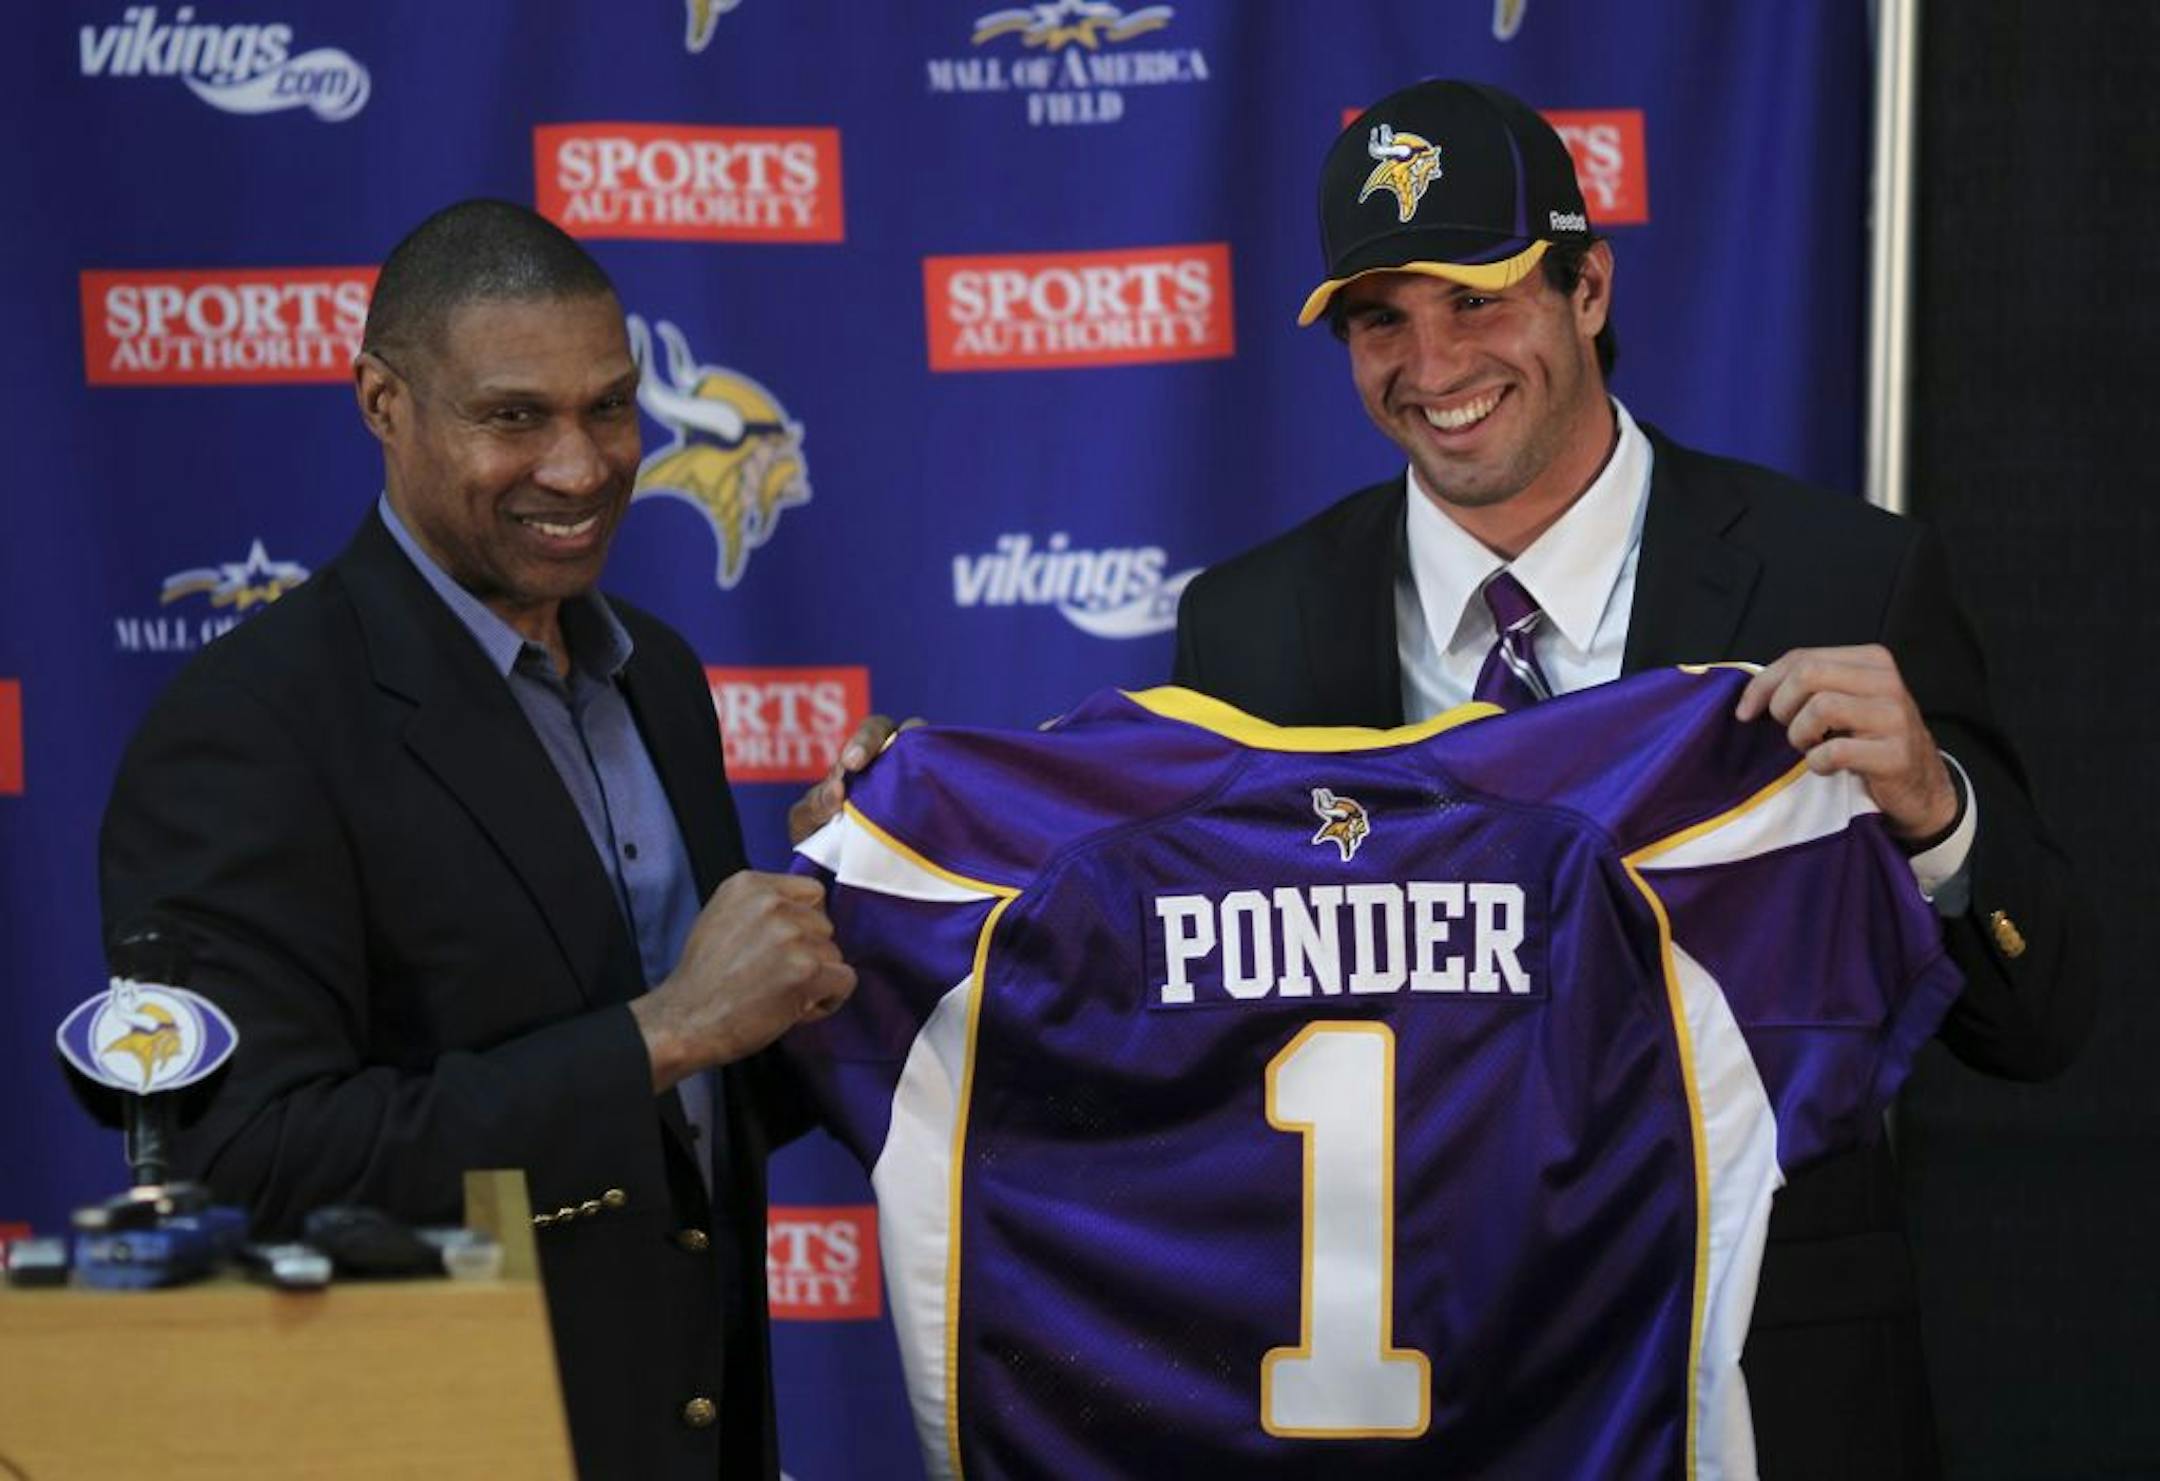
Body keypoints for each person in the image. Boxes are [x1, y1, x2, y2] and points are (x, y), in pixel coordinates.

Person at [1171, 79, 2090, 1478]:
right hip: (1401, 1399)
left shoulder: (1840, 575)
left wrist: (1937, 817)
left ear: (1588, 285)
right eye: (1380, 319)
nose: (1432, 364)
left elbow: (2045, 1019)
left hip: (1758, 1385)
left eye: (1477, 299)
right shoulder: (1245, 626)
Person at [100, 199, 871, 1481]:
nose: (579, 467)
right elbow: (243, 1165)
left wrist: (842, 914)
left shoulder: (658, 675)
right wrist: (667, 1025)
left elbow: (690, 1114)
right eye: (514, 417)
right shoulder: (243, 730)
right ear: (382, 404)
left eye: (611, 407)